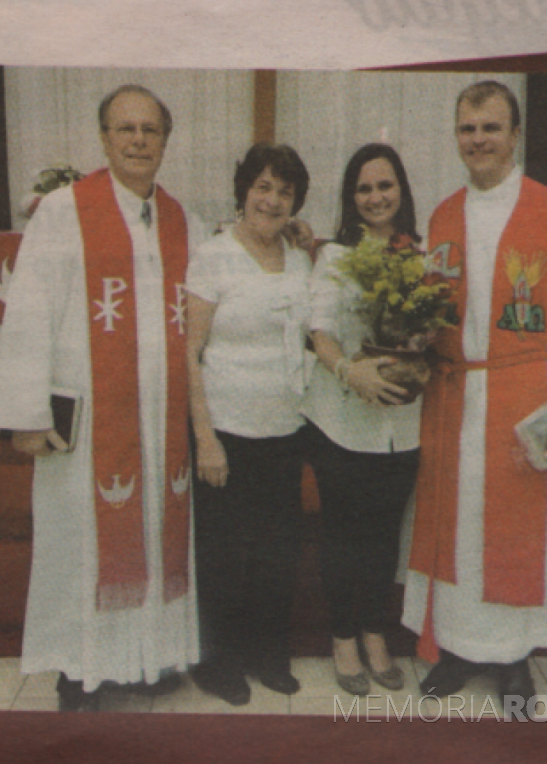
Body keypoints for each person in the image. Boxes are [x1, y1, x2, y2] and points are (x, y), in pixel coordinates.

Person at [0, 84, 204, 712]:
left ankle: (146, 659)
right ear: (104, 138)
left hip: (159, 420)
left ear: (165, 139)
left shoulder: (176, 216)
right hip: (87, 418)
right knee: (80, 544)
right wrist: (25, 416)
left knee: (155, 535)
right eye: (124, 129)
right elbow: (29, 311)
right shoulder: (65, 210)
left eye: (150, 130)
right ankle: (79, 668)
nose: (138, 140)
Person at [402, 81, 547, 704]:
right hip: (455, 395)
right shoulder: (442, 216)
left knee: (518, 537)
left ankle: (516, 658)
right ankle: (461, 650)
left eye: (491, 127)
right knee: (460, 529)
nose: (479, 140)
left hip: (523, 398)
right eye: (468, 129)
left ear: (515, 134)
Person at [186, 143, 312, 706]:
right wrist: (205, 438)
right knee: (225, 555)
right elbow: (189, 352)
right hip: (227, 432)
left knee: (276, 552)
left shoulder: (301, 258)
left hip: (286, 430)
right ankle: (220, 663)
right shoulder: (212, 256)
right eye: (263, 187)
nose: (272, 199)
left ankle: (268, 656)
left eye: (284, 191)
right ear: (243, 193)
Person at [300, 144, 421, 696]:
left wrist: (417, 352)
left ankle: (376, 633)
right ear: (351, 198)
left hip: (404, 424)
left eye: (385, 186)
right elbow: (318, 332)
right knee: (344, 534)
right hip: (343, 421)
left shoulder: (420, 253)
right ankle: (343, 637)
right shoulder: (334, 256)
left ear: (402, 191)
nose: (376, 197)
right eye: (365, 188)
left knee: (382, 535)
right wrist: (352, 372)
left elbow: (434, 329)